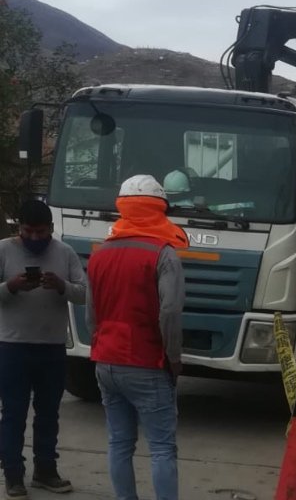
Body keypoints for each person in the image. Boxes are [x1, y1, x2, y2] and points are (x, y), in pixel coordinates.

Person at [87, 175, 187, 500]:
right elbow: (170, 312)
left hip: (106, 360)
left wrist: (103, 348)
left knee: (119, 442)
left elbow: (92, 314)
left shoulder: (100, 254)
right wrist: (173, 358)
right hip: (146, 362)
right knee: (161, 448)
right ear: (161, 207)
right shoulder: (164, 253)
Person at [0, 200, 86, 498]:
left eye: (41, 232)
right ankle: (13, 475)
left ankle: (46, 471)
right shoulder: (4, 250)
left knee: (48, 413)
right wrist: (10, 286)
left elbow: (84, 293)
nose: (35, 238)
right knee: (13, 413)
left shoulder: (65, 252)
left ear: (51, 228)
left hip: (51, 348)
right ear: (18, 228)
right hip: (12, 347)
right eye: (28, 231)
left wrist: (61, 285)